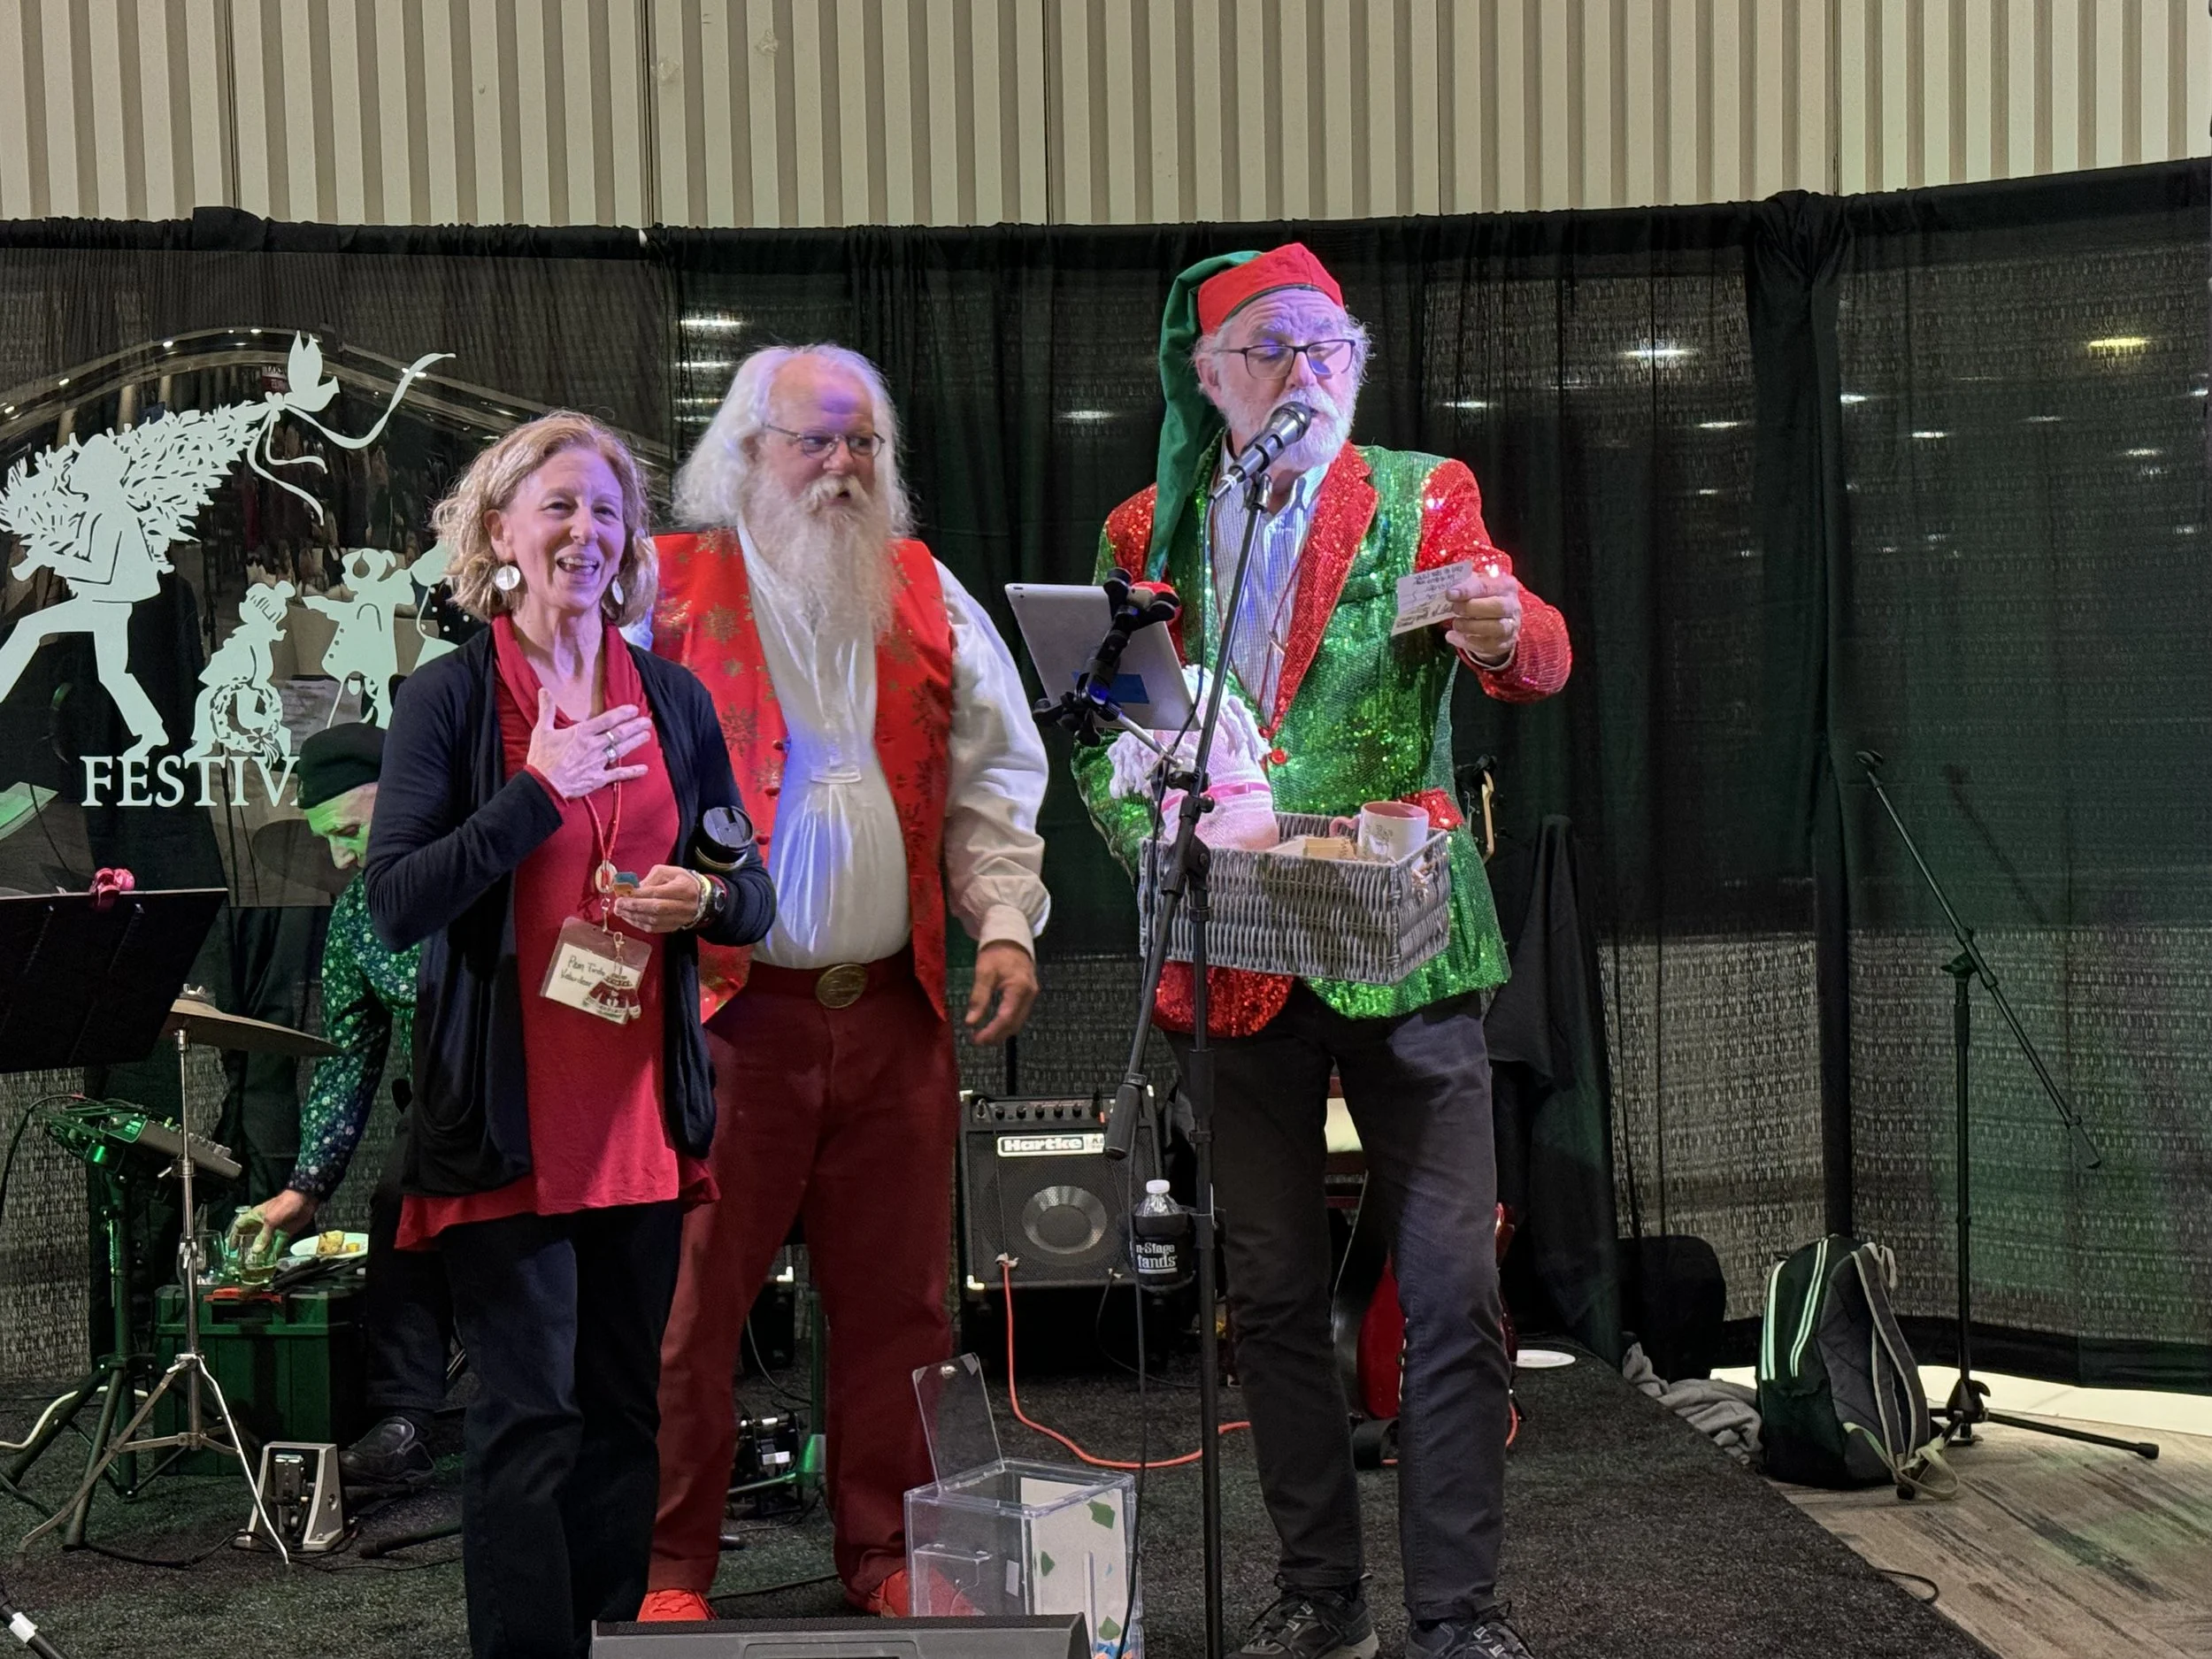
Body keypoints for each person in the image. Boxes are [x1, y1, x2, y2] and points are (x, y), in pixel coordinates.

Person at [1071, 245, 1571, 1659]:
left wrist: (1506, 628)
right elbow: (1108, 737)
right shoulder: (1148, 528)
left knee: (1453, 1284)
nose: (1309, 372)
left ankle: (1455, 1610)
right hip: (1233, 948)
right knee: (1274, 1287)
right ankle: (1321, 1592)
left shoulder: (1422, 494)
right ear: (1209, 373)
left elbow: (1531, 653)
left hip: (1401, 941)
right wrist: (1163, 835)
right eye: (1273, 348)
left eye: (1329, 345)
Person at [638, 344, 1050, 1621]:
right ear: (744, 454)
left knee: (902, 1307)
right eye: (813, 439)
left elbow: (995, 776)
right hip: (724, 1015)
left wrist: (1003, 922)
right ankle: (669, 1566)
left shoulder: (925, 587)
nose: (842, 465)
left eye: (862, 441)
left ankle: (887, 1551)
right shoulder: (658, 585)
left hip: (892, 1010)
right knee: (689, 1308)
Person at [364, 411, 776, 1659]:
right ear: (500, 534)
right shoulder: (448, 697)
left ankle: (607, 1645)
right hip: (507, 1127)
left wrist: (706, 901)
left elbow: (750, 888)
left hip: (641, 1122)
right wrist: (538, 790)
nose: (584, 531)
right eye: (557, 506)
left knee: (620, 1419)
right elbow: (397, 902)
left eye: (606, 510)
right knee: (530, 1421)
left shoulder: (674, 698)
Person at [231, 720, 453, 1490]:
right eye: (326, 837)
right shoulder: (358, 912)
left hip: (537, 1093)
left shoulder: (476, 859)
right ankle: (405, 1416)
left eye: (349, 830)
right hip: (438, 1104)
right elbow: (351, 1056)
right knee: (397, 1207)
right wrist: (306, 1188)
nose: (338, 856)